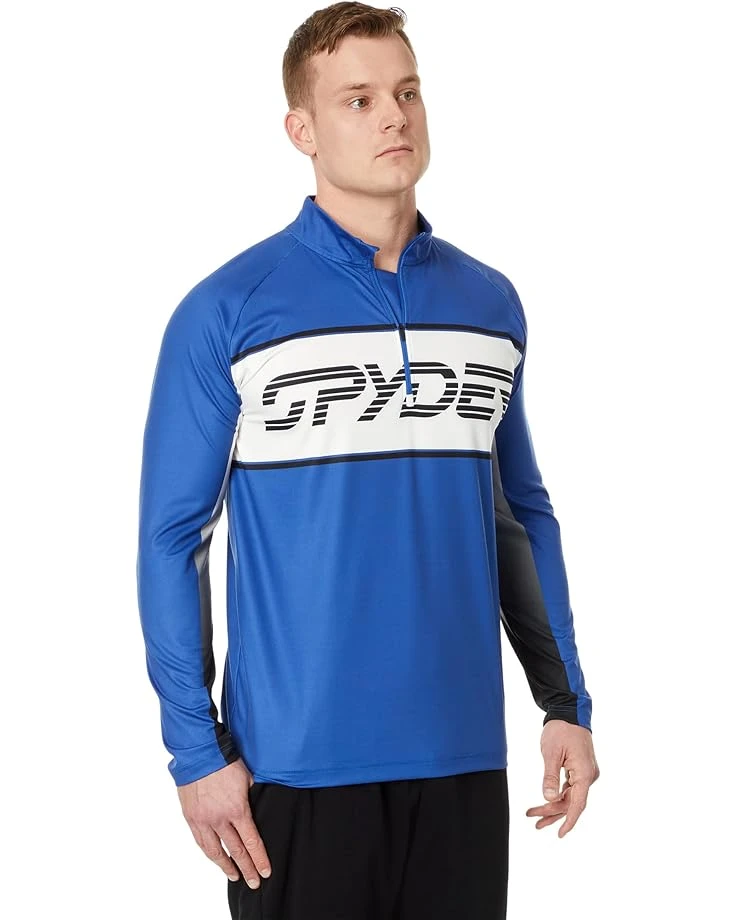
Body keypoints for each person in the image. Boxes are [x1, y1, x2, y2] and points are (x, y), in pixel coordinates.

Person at [136, 3, 600, 918]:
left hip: (463, 757)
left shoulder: (488, 303)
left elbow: (517, 516)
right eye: (358, 99)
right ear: (301, 130)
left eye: (407, 92)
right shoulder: (229, 310)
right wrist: (195, 751)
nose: (394, 116)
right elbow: (171, 540)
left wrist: (564, 703)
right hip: (295, 767)